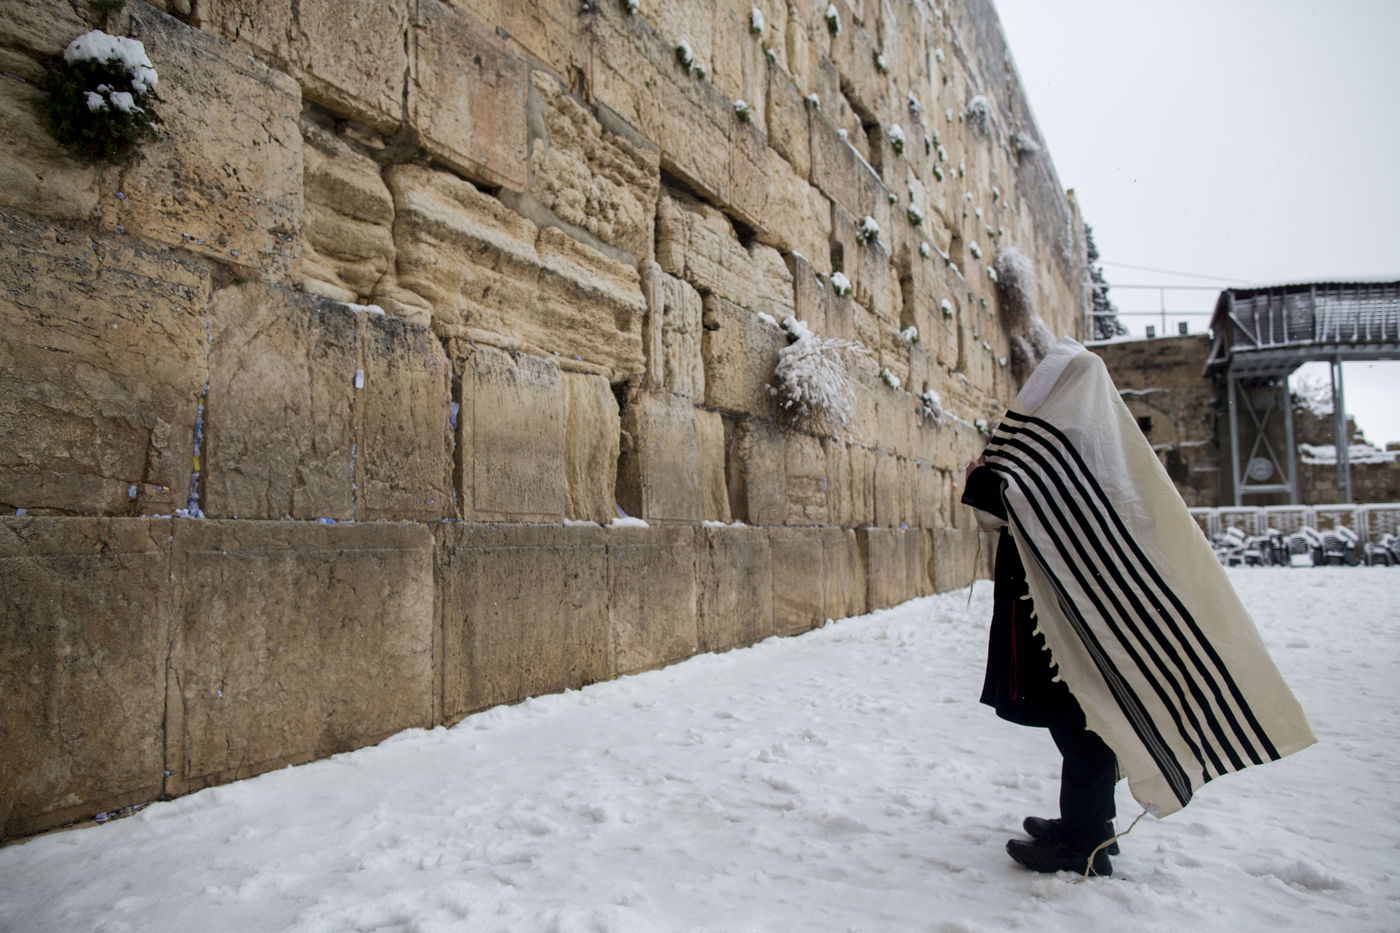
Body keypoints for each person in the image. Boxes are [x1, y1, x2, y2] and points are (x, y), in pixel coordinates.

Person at [960, 336, 1315, 879]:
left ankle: (1082, 844)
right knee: (1078, 720)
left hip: (1076, 617)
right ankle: (1090, 828)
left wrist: (982, 478)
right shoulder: (1085, 440)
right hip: (1061, 608)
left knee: (1083, 724)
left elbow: (1038, 507)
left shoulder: (1074, 441)